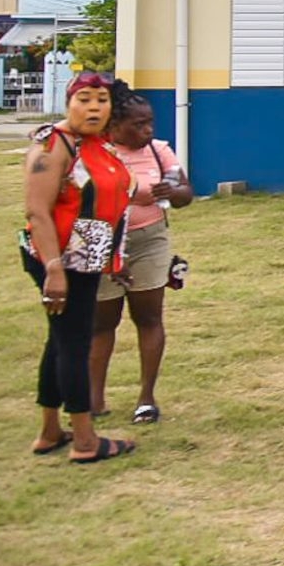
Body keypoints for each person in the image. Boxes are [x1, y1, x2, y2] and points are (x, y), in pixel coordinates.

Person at [21, 69, 137, 463]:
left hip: (87, 257)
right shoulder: (53, 146)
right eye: (84, 99)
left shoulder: (94, 144)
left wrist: (111, 260)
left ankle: (50, 431)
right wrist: (54, 270)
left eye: (101, 101)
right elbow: (37, 212)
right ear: (68, 101)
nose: (93, 107)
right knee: (74, 344)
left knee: (59, 340)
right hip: (61, 261)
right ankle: (86, 440)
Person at [90, 85, 192, 425]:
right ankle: (94, 397)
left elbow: (186, 193)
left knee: (148, 318)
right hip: (104, 243)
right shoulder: (98, 152)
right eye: (137, 124)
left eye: (149, 123)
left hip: (150, 240)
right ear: (114, 124)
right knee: (102, 322)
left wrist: (173, 191)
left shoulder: (159, 151)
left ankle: (146, 398)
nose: (147, 130)